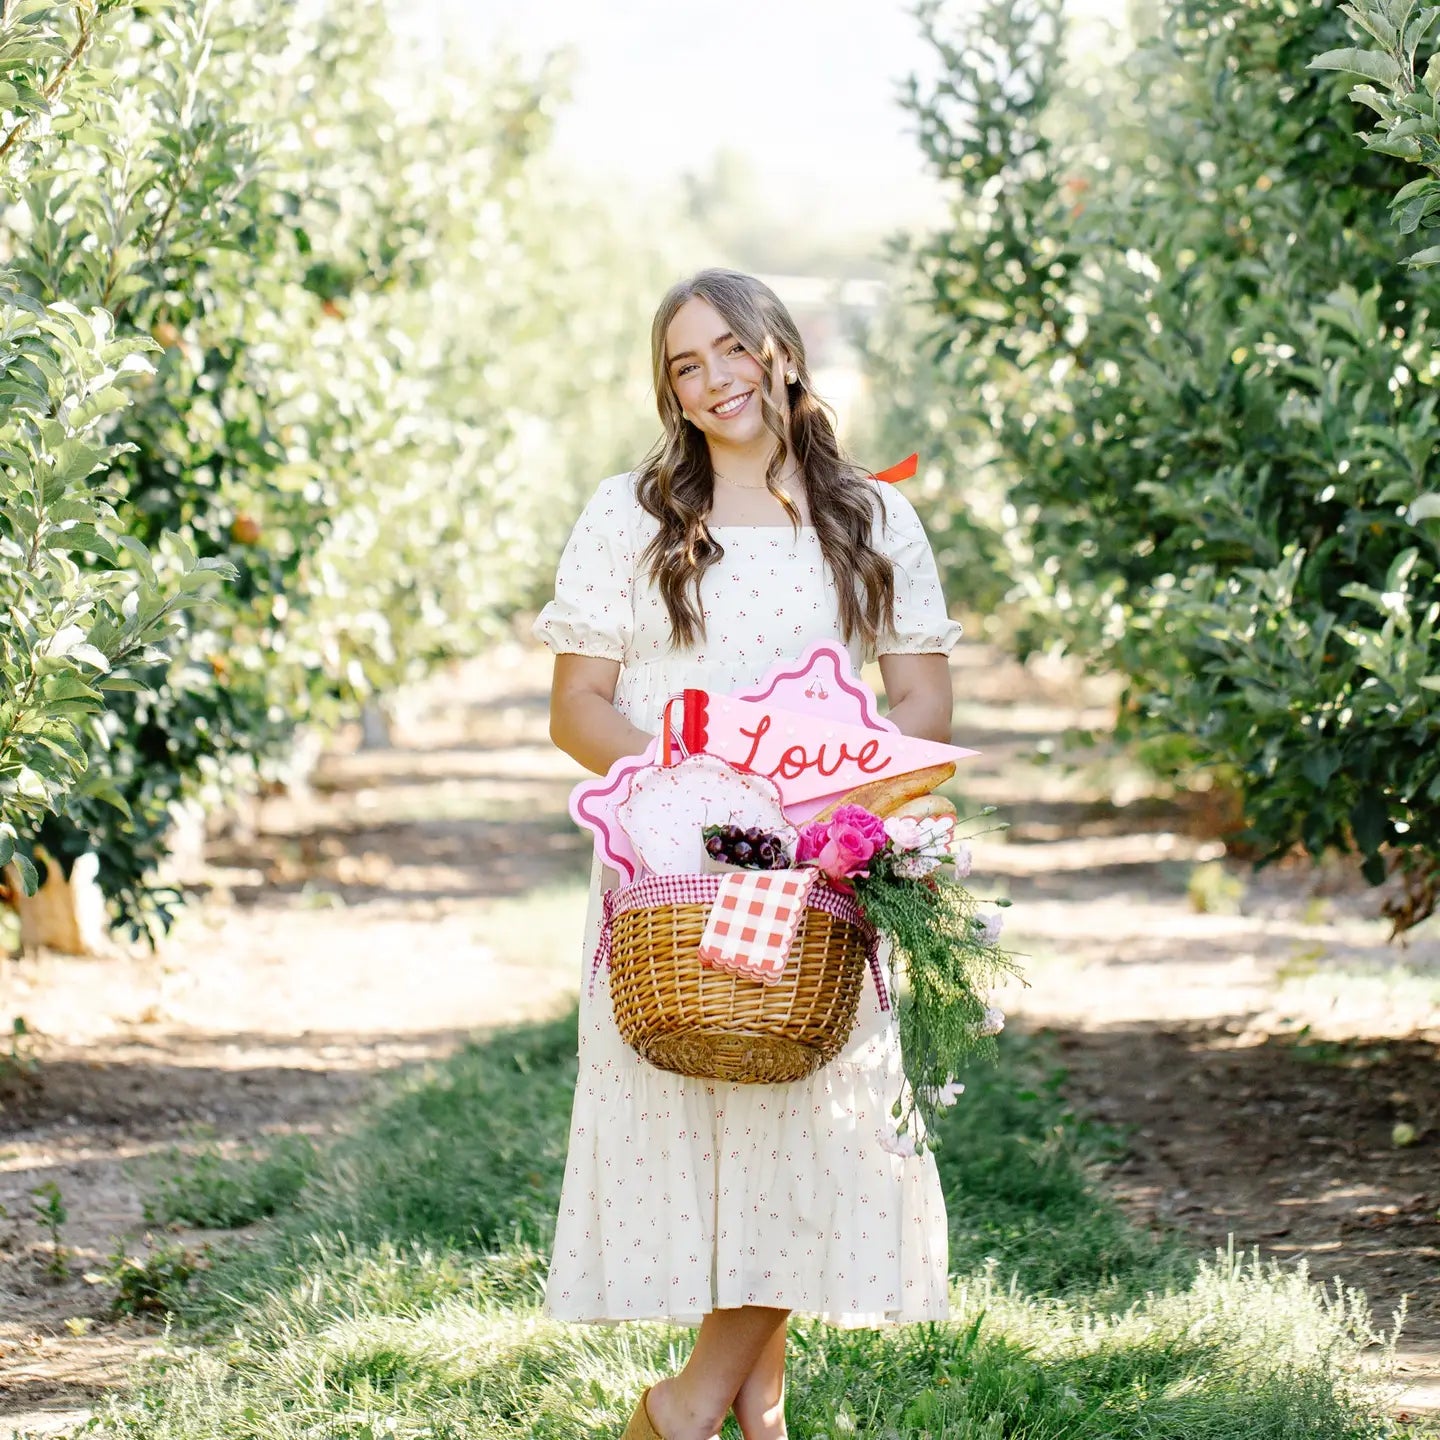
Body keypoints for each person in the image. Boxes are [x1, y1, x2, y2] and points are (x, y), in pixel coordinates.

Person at [534, 268, 963, 1440]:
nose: (715, 378)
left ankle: (699, 1401)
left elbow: (919, 695)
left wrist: (850, 815)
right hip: (677, 865)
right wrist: (692, 800)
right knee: (715, 1091)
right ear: (667, 389)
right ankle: (743, 1403)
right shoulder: (633, 517)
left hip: (819, 868)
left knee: (813, 1109)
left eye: (731, 348)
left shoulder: (871, 518)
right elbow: (580, 708)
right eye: (685, 363)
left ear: (780, 349)